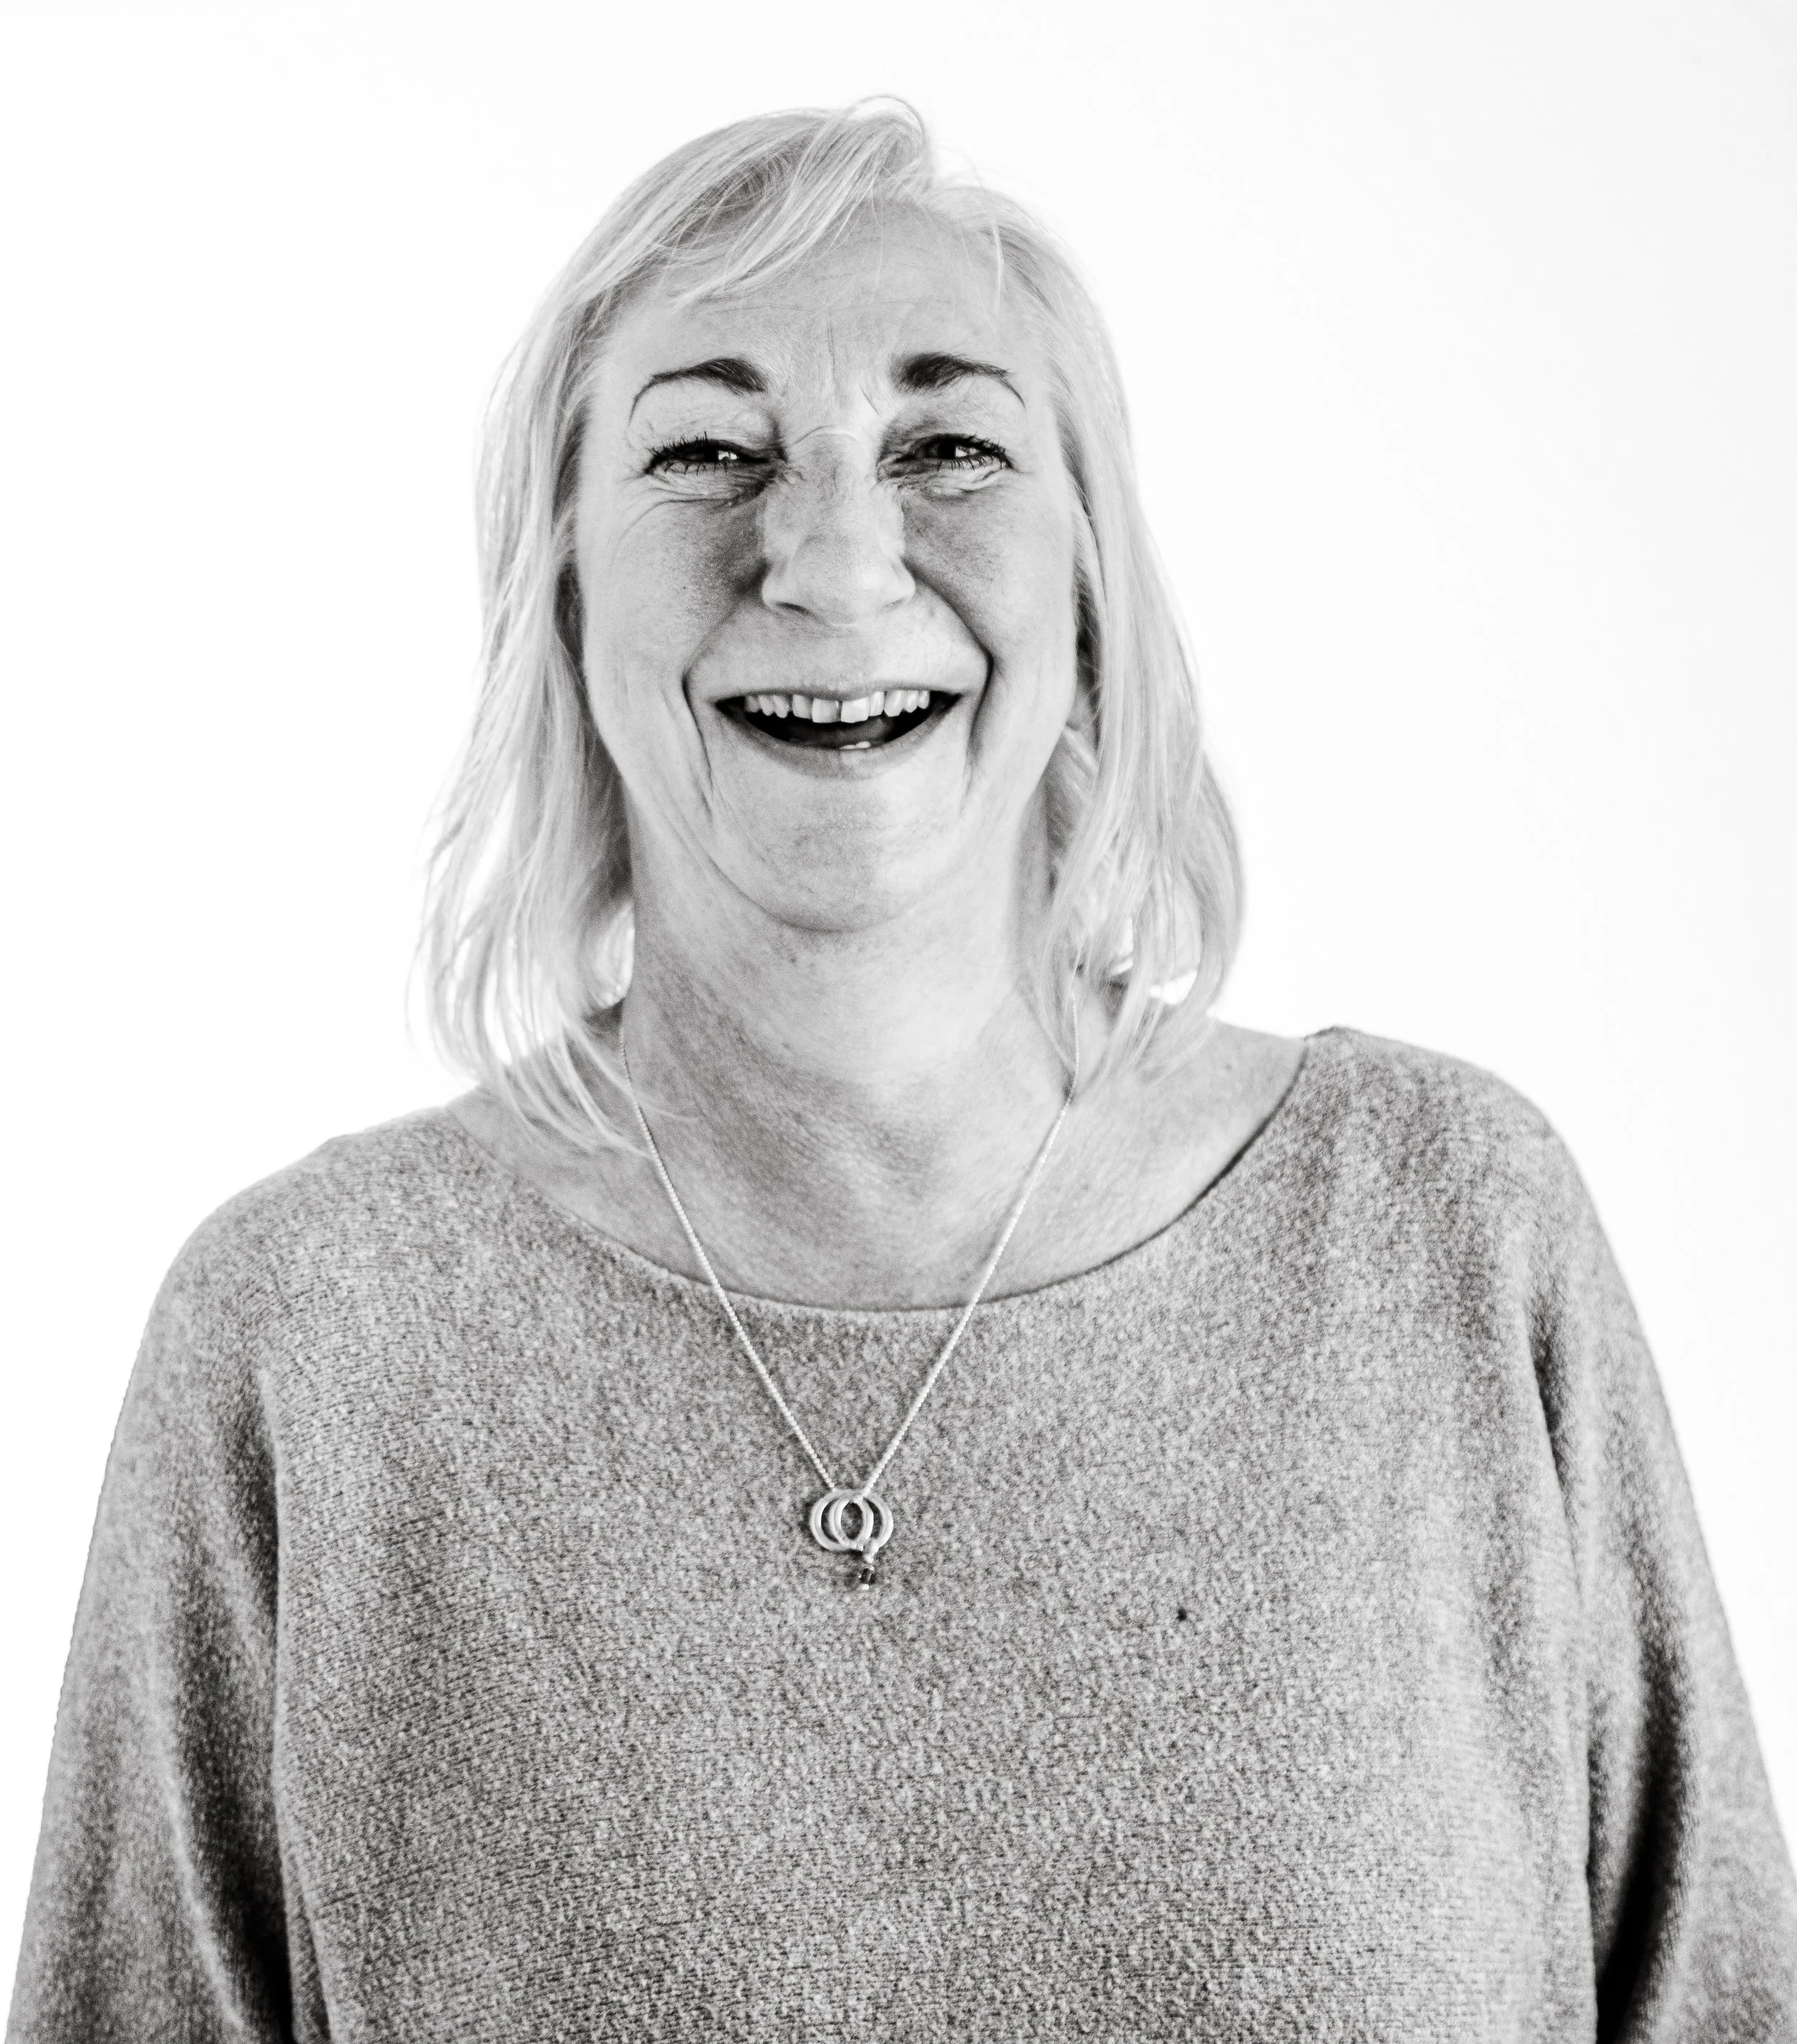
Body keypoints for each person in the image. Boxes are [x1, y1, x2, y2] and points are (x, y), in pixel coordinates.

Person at [10, 102, 1795, 2040]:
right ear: (560, 597)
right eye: (705, 449)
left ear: (1091, 583)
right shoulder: (311, 1336)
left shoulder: (1441, 1227)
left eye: (945, 445)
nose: (834, 555)